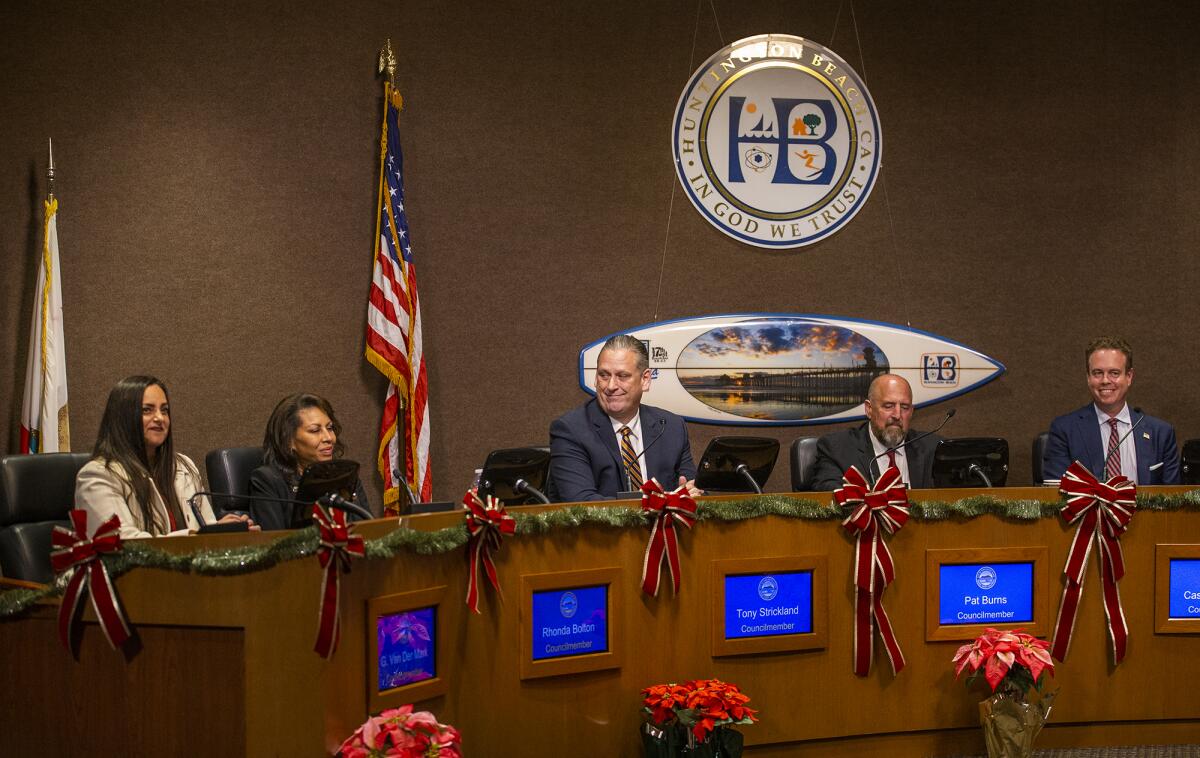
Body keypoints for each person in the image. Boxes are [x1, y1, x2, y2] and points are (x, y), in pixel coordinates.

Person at [76, 375, 254, 539]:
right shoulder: (98, 475)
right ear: (124, 417)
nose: (160, 418)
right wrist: (197, 536)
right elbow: (124, 544)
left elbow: (205, 531)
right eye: (147, 410)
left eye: (165, 410)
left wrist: (229, 533)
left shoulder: (184, 466)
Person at [549, 334, 700, 502]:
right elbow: (581, 502)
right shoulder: (571, 430)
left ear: (645, 379)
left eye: (622, 376)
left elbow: (694, 488)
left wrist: (694, 494)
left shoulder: (671, 427)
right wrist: (658, 503)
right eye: (604, 375)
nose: (611, 386)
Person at [1044, 337, 1180, 484]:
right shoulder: (1065, 430)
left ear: (1129, 376)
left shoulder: (1160, 433)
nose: (1105, 380)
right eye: (1097, 373)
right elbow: (1056, 497)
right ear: (1088, 377)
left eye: (1114, 373)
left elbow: (1173, 500)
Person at [249, 393, 372, 530]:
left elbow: (369, 529)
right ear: (289, 441)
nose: (328, 438)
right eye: (315, 430)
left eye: (330, 428)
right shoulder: (268, 480)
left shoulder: (345, 476)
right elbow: (274, 543)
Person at [810, 373, 942, 490]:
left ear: (912, 412)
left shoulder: (934, 448)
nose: (897, 415)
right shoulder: (837, 449)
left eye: (904, 407)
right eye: (888, 406)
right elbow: (827, 493)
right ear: (869, 409)